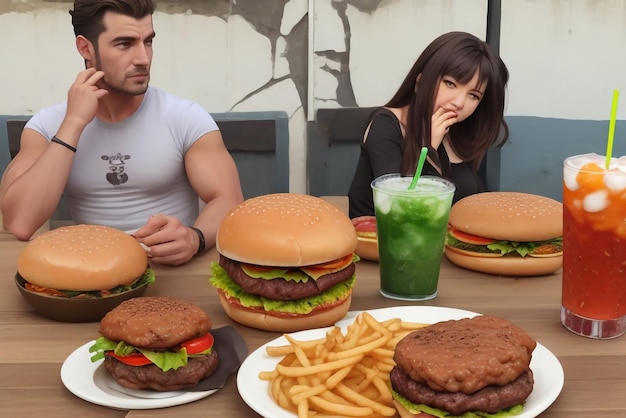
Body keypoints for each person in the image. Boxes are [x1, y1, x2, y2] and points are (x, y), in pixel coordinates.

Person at [0, 0, 244, 265]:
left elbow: (229, 200)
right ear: (86, 48)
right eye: (125, 44)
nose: (143, 58)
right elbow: (20, 223)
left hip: (172, 272)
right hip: (93, 275)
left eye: (148, 41)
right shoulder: (48, 125)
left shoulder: (185, 117)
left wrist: (195, 238)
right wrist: (73, 124)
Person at [348, 31, 509, 218]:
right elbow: (401, 211)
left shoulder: (457, 132)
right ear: (421, 81)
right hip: (380, 242)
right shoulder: (386, 124)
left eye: (473, 95)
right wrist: (428, 147)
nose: (459, 102)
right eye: (450, 84)